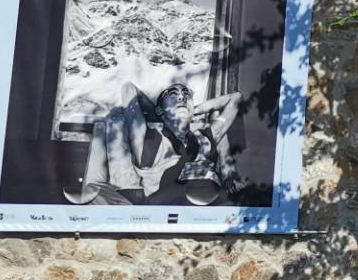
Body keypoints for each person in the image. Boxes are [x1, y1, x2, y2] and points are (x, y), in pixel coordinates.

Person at [74, 79, 242, 206]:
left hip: (207, 209)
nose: (182, 98)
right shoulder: (152, 140)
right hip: (166, 207)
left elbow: (236, 98)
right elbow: (128, 89)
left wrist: (193, 110)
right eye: (174, 96)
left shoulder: (205, 136)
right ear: (160, 110)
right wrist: (160, 112)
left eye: (186, 95)